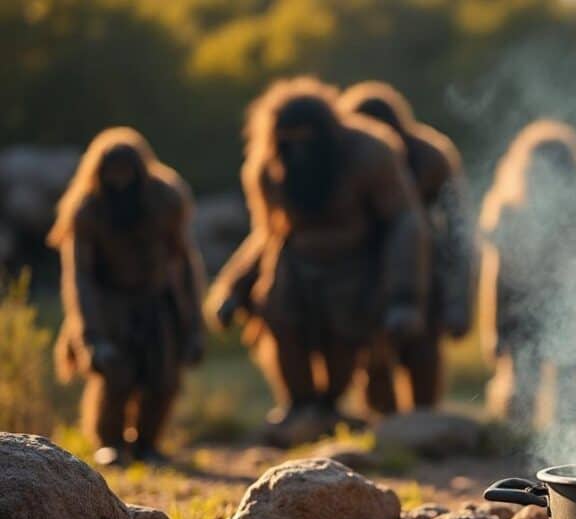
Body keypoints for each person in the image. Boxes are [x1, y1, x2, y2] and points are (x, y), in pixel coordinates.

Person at [206, 77, 427, 446]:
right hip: (293, 263)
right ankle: (298, 403)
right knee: (279, 319)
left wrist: (404, 295)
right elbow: (266, 233)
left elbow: (405, 221)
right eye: (289, 140)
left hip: (355, 266)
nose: (300, 149)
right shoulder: (265, 168)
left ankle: (329, 405)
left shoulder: (370, 152)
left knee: (347, 338)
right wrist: (233, 287)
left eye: (308, 137)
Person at [50, 127, 205, 465]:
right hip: (109, 304)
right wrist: (90, 336)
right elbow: (80, 277)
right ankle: (111, 443)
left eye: (126, 174)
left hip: (156, 301)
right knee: (114, 376)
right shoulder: (86, 209)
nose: (120, 182)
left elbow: (185, 262)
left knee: (163, 379)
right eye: (112, 175)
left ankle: (148, 444)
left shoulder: (166, 198)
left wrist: (193, 325)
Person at [337, 81, 475, 412]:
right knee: (374, 360)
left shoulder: (431, 157)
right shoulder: (342, 158)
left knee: (423, 352)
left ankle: (424, 427)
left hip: (426, 270)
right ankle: (388, 434)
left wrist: (458, 303)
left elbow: (458, 230)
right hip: (364, 268)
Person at [480, 120, 576, 425]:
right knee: (521, 383)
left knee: (569, 381)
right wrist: (497, 330)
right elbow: (498, 275)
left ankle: (564, 440)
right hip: (521, 308)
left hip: (568, 306)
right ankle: (518, 440)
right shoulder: (509, 209)